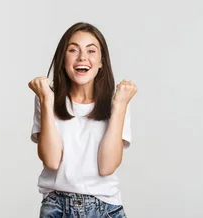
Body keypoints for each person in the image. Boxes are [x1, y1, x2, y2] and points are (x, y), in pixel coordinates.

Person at [28, 22, 137, 218]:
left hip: (106, 208)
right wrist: (45, 100)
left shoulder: (118, 101)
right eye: (73, 50)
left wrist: (119, 106)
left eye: (91, 51)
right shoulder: (46, 98)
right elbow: (51, 161)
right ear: (63, 59)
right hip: (57, 208)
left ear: (102, 61)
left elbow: (107, 166)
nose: (82, 57)